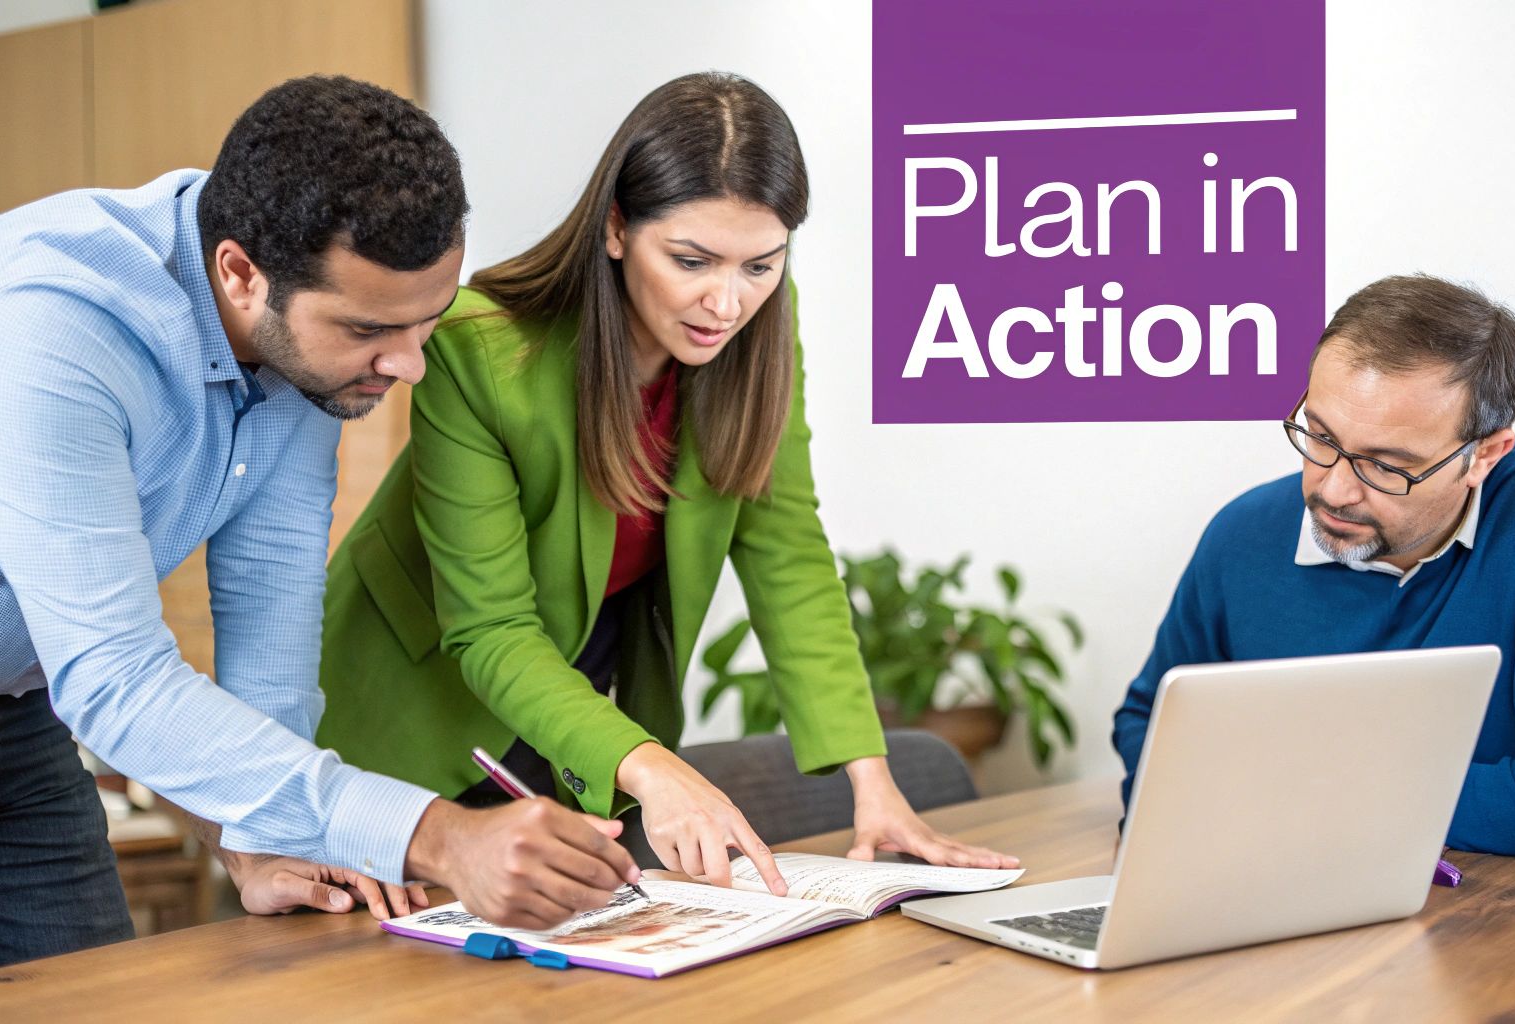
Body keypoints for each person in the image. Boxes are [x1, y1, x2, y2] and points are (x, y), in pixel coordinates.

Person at [0, 75, 638, 990]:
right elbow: (114, 677)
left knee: (98, 1007)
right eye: (370, 329)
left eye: (428, 321)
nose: (410, 366)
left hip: (15, 726)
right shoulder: (54, 328)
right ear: (240, 272)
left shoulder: (308, 360)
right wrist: (437, 834)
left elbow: (269, 641)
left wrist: (266, 834)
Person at [315, 71, 1015, 892]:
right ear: (616, 228)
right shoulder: (480, 350)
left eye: (762, 265)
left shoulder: (755, 350)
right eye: (692, 260)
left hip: (579, 691)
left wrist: (875, 785)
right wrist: (652, 768)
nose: (726, 302)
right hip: (417, 696)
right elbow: (492, 629)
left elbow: (789, 557)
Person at [1112, 274, 1515, 862]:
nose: (1334, 489)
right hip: (1269, 891)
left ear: (1484, 455)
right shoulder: (1243, 534)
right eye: (1321, 437)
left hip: (1497, 926)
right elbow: (1153, 723)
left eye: (1387, 465)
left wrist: (1289, 789)